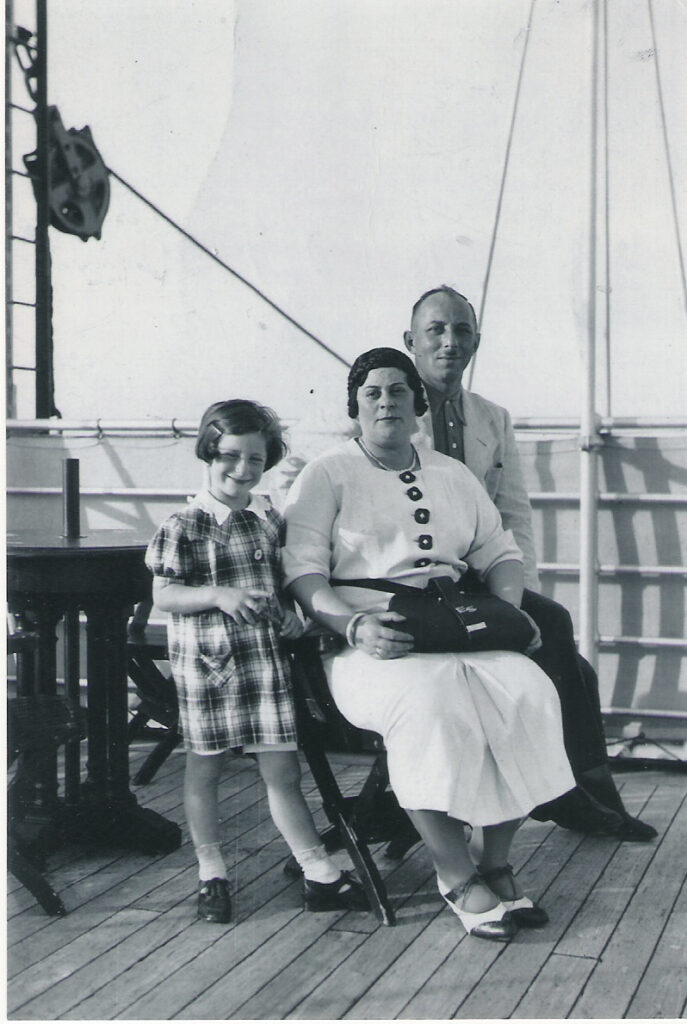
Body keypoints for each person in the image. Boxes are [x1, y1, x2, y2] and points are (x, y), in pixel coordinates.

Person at [282, 348, 577, 942]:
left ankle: (494, 859)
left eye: (398, 390)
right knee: (432, 710)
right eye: (373, 393)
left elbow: (499, 551)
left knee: (531, 694)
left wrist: (509, 613)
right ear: (355, 407)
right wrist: (351, 627)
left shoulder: (450, 472)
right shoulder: (328, 473)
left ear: (419, 403)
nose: (387, 401)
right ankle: (454, 870)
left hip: (454, 628)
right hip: (371, 640)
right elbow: (303, 571)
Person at [403, 285, 656, 841]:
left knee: (571, 662)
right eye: (436, 331)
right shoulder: (387, 407)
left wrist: (524, 602)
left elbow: (513, 515)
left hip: (481, 582)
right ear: (411, 342)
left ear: (476, 342)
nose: (450, 342)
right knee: (562, 636)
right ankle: (574, 797)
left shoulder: (491, 418)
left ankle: (588, 792)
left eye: (462, 331)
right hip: (415, 586)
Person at [145, 399, 369, 924]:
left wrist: (292, 614)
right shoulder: (185, 524)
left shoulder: (268, 516)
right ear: (209, 451)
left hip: (263, 665)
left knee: (282, 771)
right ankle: (211, 872)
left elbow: (281, 580)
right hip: (208, 667)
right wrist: (218, 595)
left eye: (254, 460)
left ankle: (318, 873)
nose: (241, 470)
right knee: (206, 770)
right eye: (230, 457)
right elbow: (165, 595)